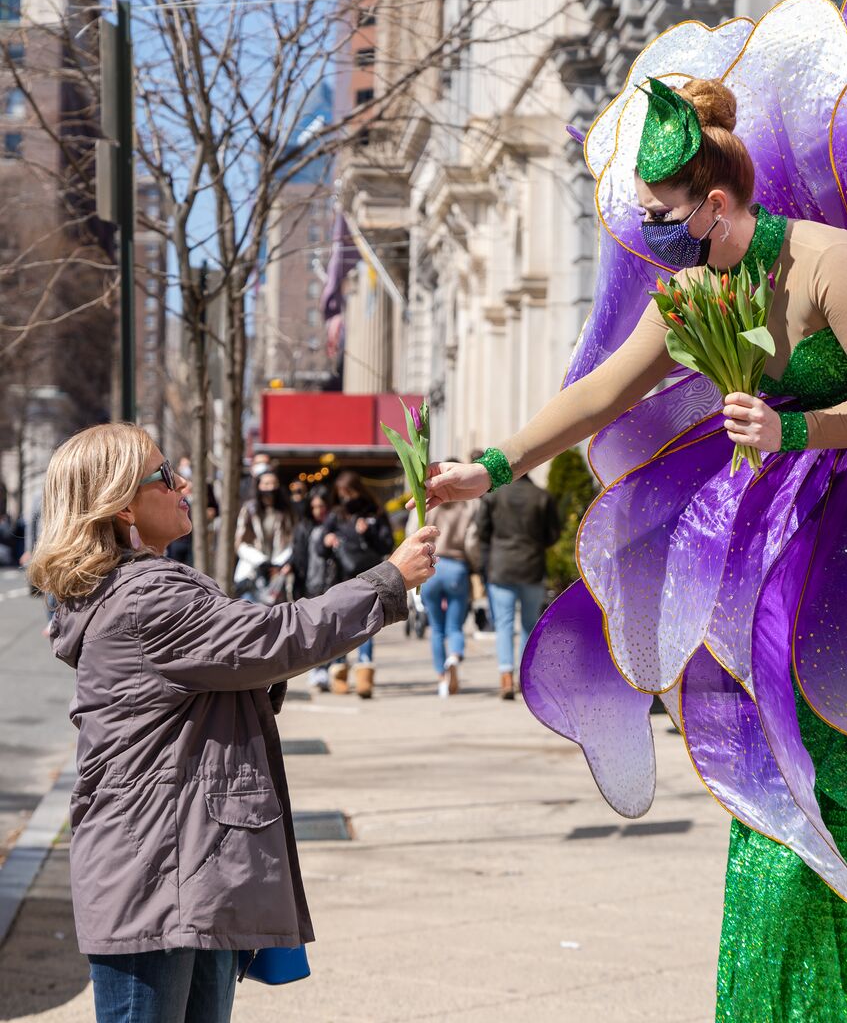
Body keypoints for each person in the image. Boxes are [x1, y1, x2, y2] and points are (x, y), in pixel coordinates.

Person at [417, 0, 847, 1014]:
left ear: (717, 202)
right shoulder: (690, 292)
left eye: (662, 215)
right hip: (760, 546)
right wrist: (491, 463)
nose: (651, 238)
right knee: (766, 781)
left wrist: (793, 425)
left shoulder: (831, 266)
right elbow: (601, 388)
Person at [27, 422, 438, 1023]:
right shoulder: (146, 599)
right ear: (121, 508)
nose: (183, 483)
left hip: (181, 867)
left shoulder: (138, 592)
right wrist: (387, 579)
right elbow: (274, 637)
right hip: (157, 877)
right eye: (165, 477)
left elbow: (244, 657)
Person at [475, 474, 559, 699]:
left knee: (504, 623)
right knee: (530, 624)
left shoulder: (493, 496)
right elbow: (553, 534)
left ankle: (505, 677)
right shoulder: (542, 496)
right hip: (532, 565)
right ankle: (525, 677)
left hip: (501, 566)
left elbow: (482, 530)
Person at [316, 470, 395, 697]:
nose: (346, 498)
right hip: (341, 579)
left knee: (367, 624)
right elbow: (320, 549)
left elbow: (385, 545)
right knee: (341, 626)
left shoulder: (375, 513)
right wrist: (326, 541)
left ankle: (364, 674)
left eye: (349, 493)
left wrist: (369, 532)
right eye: (342, 494)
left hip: (368, 578)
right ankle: (339, 672)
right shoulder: (336, 515)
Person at [417, 479, 480, 697]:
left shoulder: (427, 505)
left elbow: (412, 532)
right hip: (457, 567)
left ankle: (441, 679)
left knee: (436, 628)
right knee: (455, 626)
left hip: (432, 565)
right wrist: (474, 565)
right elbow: (472, 541)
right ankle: (454, 656)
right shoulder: (468, 505)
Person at [291, 487, 341, 692]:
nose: (318, 510)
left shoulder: (336, 525)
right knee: (315, 630)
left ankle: (332, 670)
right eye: (314, 507)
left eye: (322, 506)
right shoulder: (304, 528)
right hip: (311, 584)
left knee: (334, 630)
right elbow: (299, 557)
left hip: (333, 583)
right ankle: (318, 669)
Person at [234, 469, 294, 603]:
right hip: (251, 573)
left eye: (274, 483)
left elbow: (289, 539)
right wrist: (262, 562)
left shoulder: (284, 511)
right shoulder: (249, 510)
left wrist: (278, 564)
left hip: (277, 574)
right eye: (266, 484)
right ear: (259, 486)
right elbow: (240, 543)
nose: (270, 487)